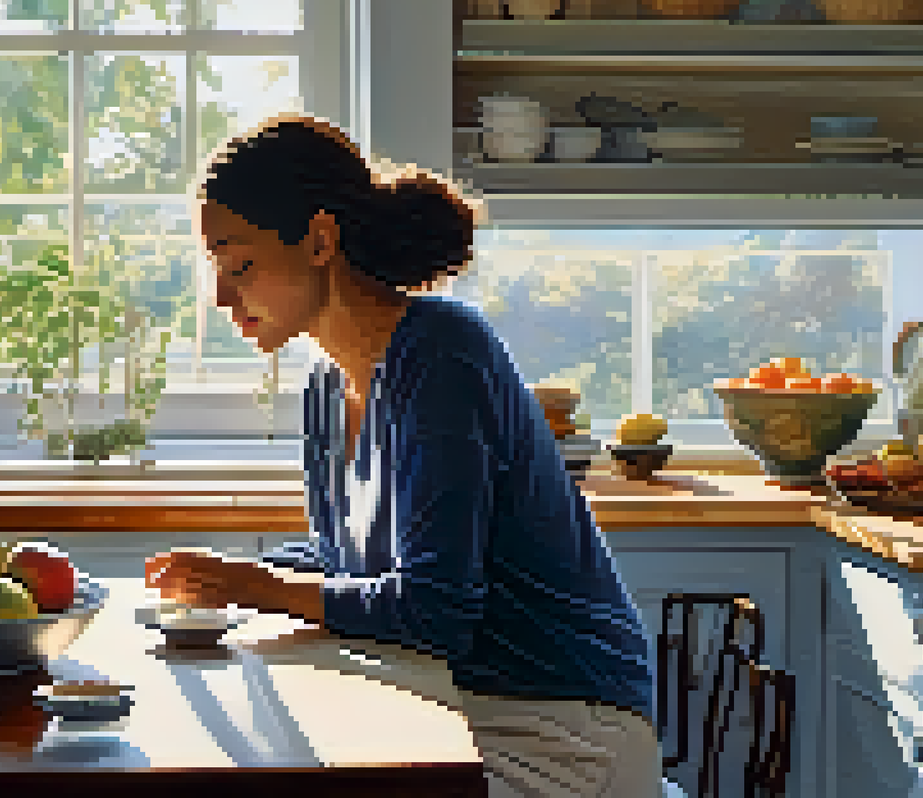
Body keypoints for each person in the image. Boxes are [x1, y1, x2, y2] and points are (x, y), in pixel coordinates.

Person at [145, 113, 661, 798]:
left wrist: (251, 585)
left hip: (564, 729)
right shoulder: (327, 384)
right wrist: (230, 578)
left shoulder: (443, 352)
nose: (220, 297)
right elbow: (347, 567)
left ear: (320, 239)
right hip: (459, 710)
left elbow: (434, 610)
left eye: (239, 264)